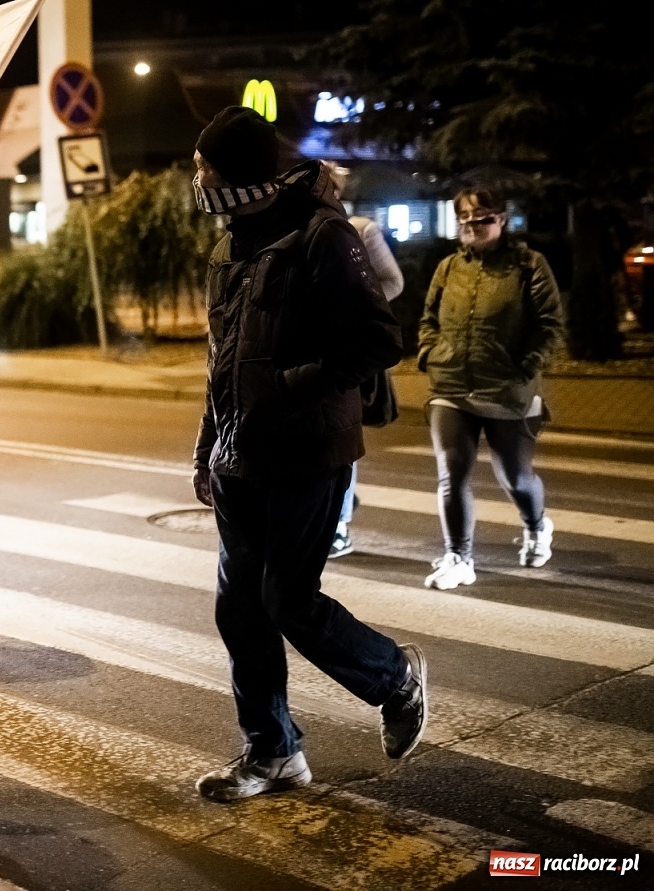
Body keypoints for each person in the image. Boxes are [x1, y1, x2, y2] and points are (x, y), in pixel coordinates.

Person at [188, 106, 429, 803]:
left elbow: (378, 341)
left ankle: (395, 679)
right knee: (240, 610)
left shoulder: (324, 237)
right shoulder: (229, 244)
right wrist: (207, 445)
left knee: (287, 600)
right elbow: (221, 360)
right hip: (241, 454)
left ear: (240, 175)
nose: (198, 182)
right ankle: (273, 752)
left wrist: (287, 385)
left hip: (306, 449)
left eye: (205, 170)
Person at [417, 187, 564, 589]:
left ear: (502, 219)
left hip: (507, 389)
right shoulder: (448, 266)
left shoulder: (529, 265)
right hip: (451, 385)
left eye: (481, 218)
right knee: (451, 473)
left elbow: (549, 324)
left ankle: (536, 525)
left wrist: (524, 368)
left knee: (515, 478)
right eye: (464, 219)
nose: (471, 226)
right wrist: (431, 353)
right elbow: (428, 318)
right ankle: (459, 557)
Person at [326, 163, 406, 558]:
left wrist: (356, 312)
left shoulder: (359, 230)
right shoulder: (293, 234)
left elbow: (392, 282)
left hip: (349, 351)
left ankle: (339, 525)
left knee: (342, 431)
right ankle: (337, 503)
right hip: (310, 352)